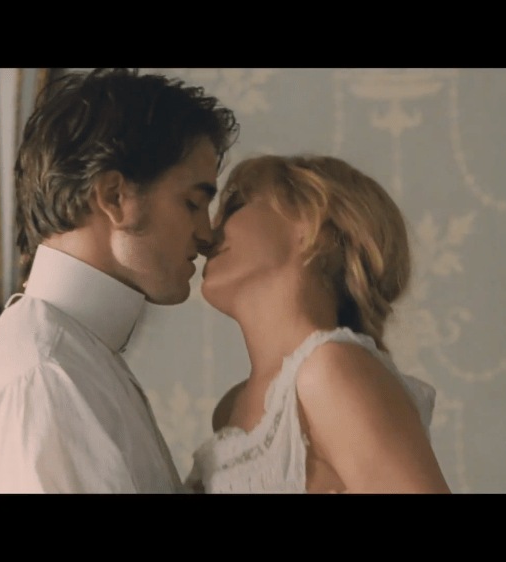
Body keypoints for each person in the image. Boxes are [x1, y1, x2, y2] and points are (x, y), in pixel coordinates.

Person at [0, 68, 239, 493]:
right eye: (192, 203)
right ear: (114, 197)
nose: (206, 235)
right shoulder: (48, 377)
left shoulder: (69, 358)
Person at [186, 154, 451, 493]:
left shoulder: (330, 371)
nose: (209, 231)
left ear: (316, 227)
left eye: (236, 205)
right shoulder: (230, 409)